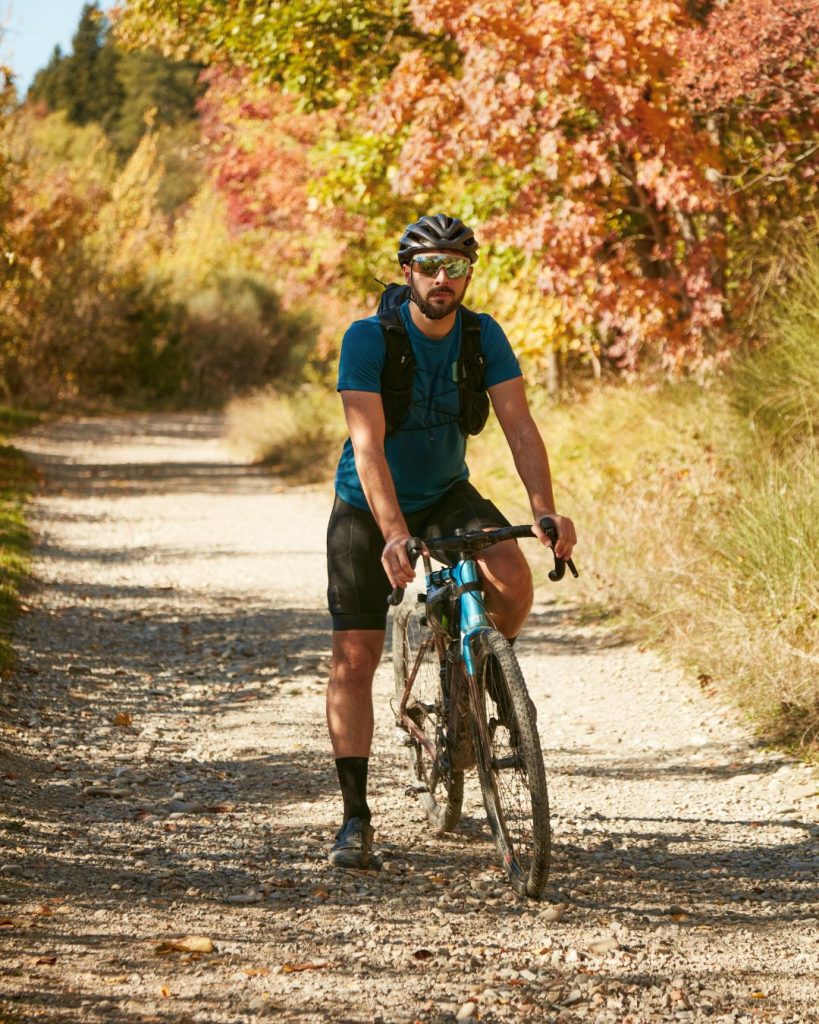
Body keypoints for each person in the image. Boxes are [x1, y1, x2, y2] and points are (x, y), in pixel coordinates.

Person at [325, 213, 577, 869]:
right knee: (353, 656)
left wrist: (544, 509)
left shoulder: (480, 335)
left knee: (512, 577)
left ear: (468, 274)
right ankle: (355, 819)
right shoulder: (368, 338)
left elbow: (519, 424)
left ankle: (483, 674)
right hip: (368, 505)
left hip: (444, 493)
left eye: (456, 267)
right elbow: (366, 445)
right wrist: (393, 535)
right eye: (430, 266)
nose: (443, 279)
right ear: (407, 272)